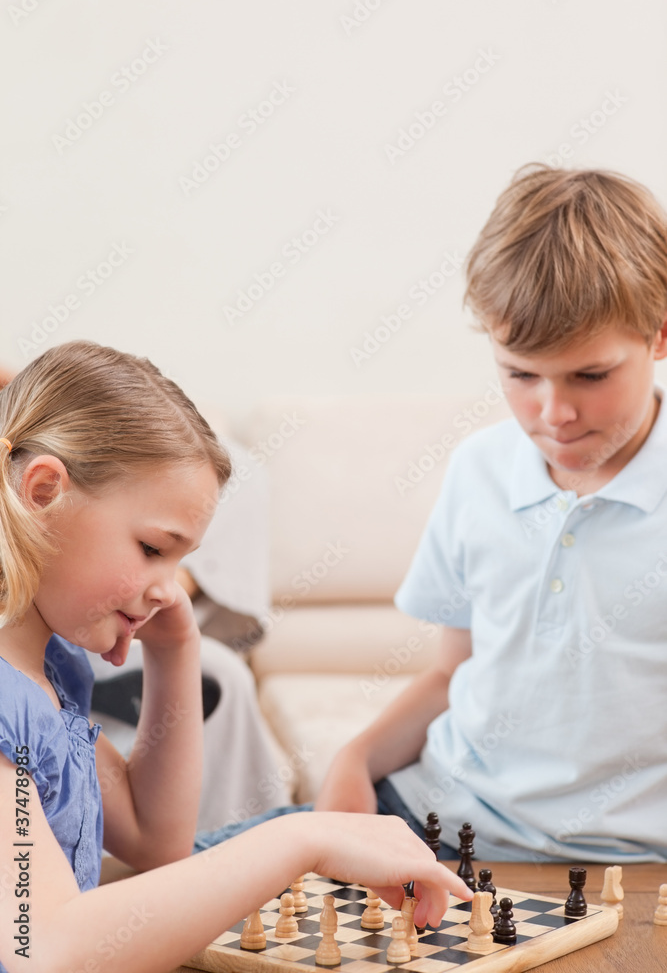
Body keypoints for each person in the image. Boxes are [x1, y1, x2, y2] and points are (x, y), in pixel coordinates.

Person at [0, 342, 470, 973]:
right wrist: (305, 839)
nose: (170, 587)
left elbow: (153, 839)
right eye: (152, 548)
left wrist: (176, 649)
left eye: (181, 560)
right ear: (43, 492)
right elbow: (43, 950)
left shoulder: (51, 673)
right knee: (300, 829)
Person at [315, 164, 667, 863]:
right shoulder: (479, 468)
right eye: (519, 374)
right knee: (165, 913)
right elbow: (452, 675)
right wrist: (352, 760)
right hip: (429, 819)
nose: (553, 412)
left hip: (617, 869)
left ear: (659, 336)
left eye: (589, 376)